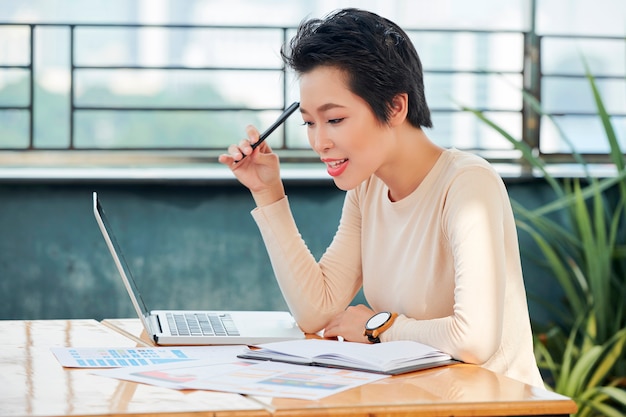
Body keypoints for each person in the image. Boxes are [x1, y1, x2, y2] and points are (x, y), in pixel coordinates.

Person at [218, 8, 544, 388]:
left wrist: (377, 326)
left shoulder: (468, 185)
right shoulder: (367, 188)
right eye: (309, 122)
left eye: (335, 119)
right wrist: (267, 191)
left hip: (495, 406)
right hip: (419, 402)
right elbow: (317, 310)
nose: (319, 141)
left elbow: (474, 339)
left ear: (395, 107)